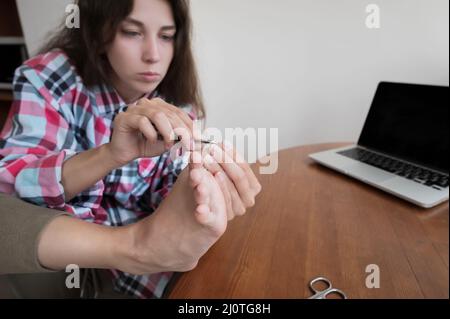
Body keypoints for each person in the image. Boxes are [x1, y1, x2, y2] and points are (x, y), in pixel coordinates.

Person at [0, 0, 261, 299]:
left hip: (139, 252)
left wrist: (200, 188)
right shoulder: (50, 76)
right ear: (99, 35)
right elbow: (13, 185)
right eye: (132, 32)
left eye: (166, 36)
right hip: (67, 258)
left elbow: (166, 191)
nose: (153, 55)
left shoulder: (176, 100)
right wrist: (111, 154)